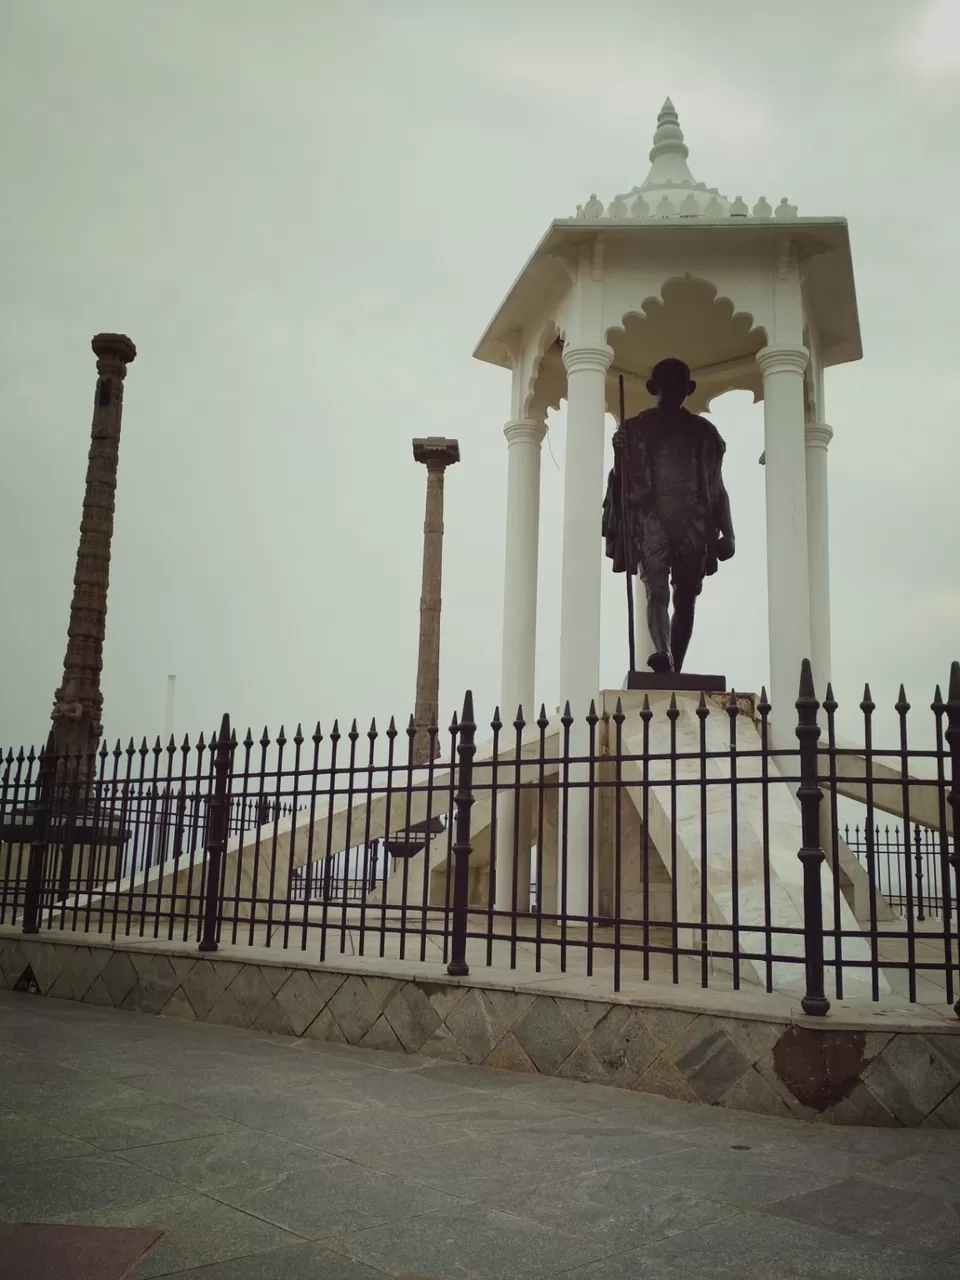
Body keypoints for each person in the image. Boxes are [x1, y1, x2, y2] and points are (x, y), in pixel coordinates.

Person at [602, 357, 735, 673]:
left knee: (686, 596)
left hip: (694, 519)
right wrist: (619, 451)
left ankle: (674, 665)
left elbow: (716, 486)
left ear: (688, 389)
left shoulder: (704, 433)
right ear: (653, 388)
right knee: (656, 589)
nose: (673, 389)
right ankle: (661, 652)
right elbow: (623, 485)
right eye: (666, 383)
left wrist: (727, 532)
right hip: (653, 517)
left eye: (679, 384)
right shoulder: (634, 429)